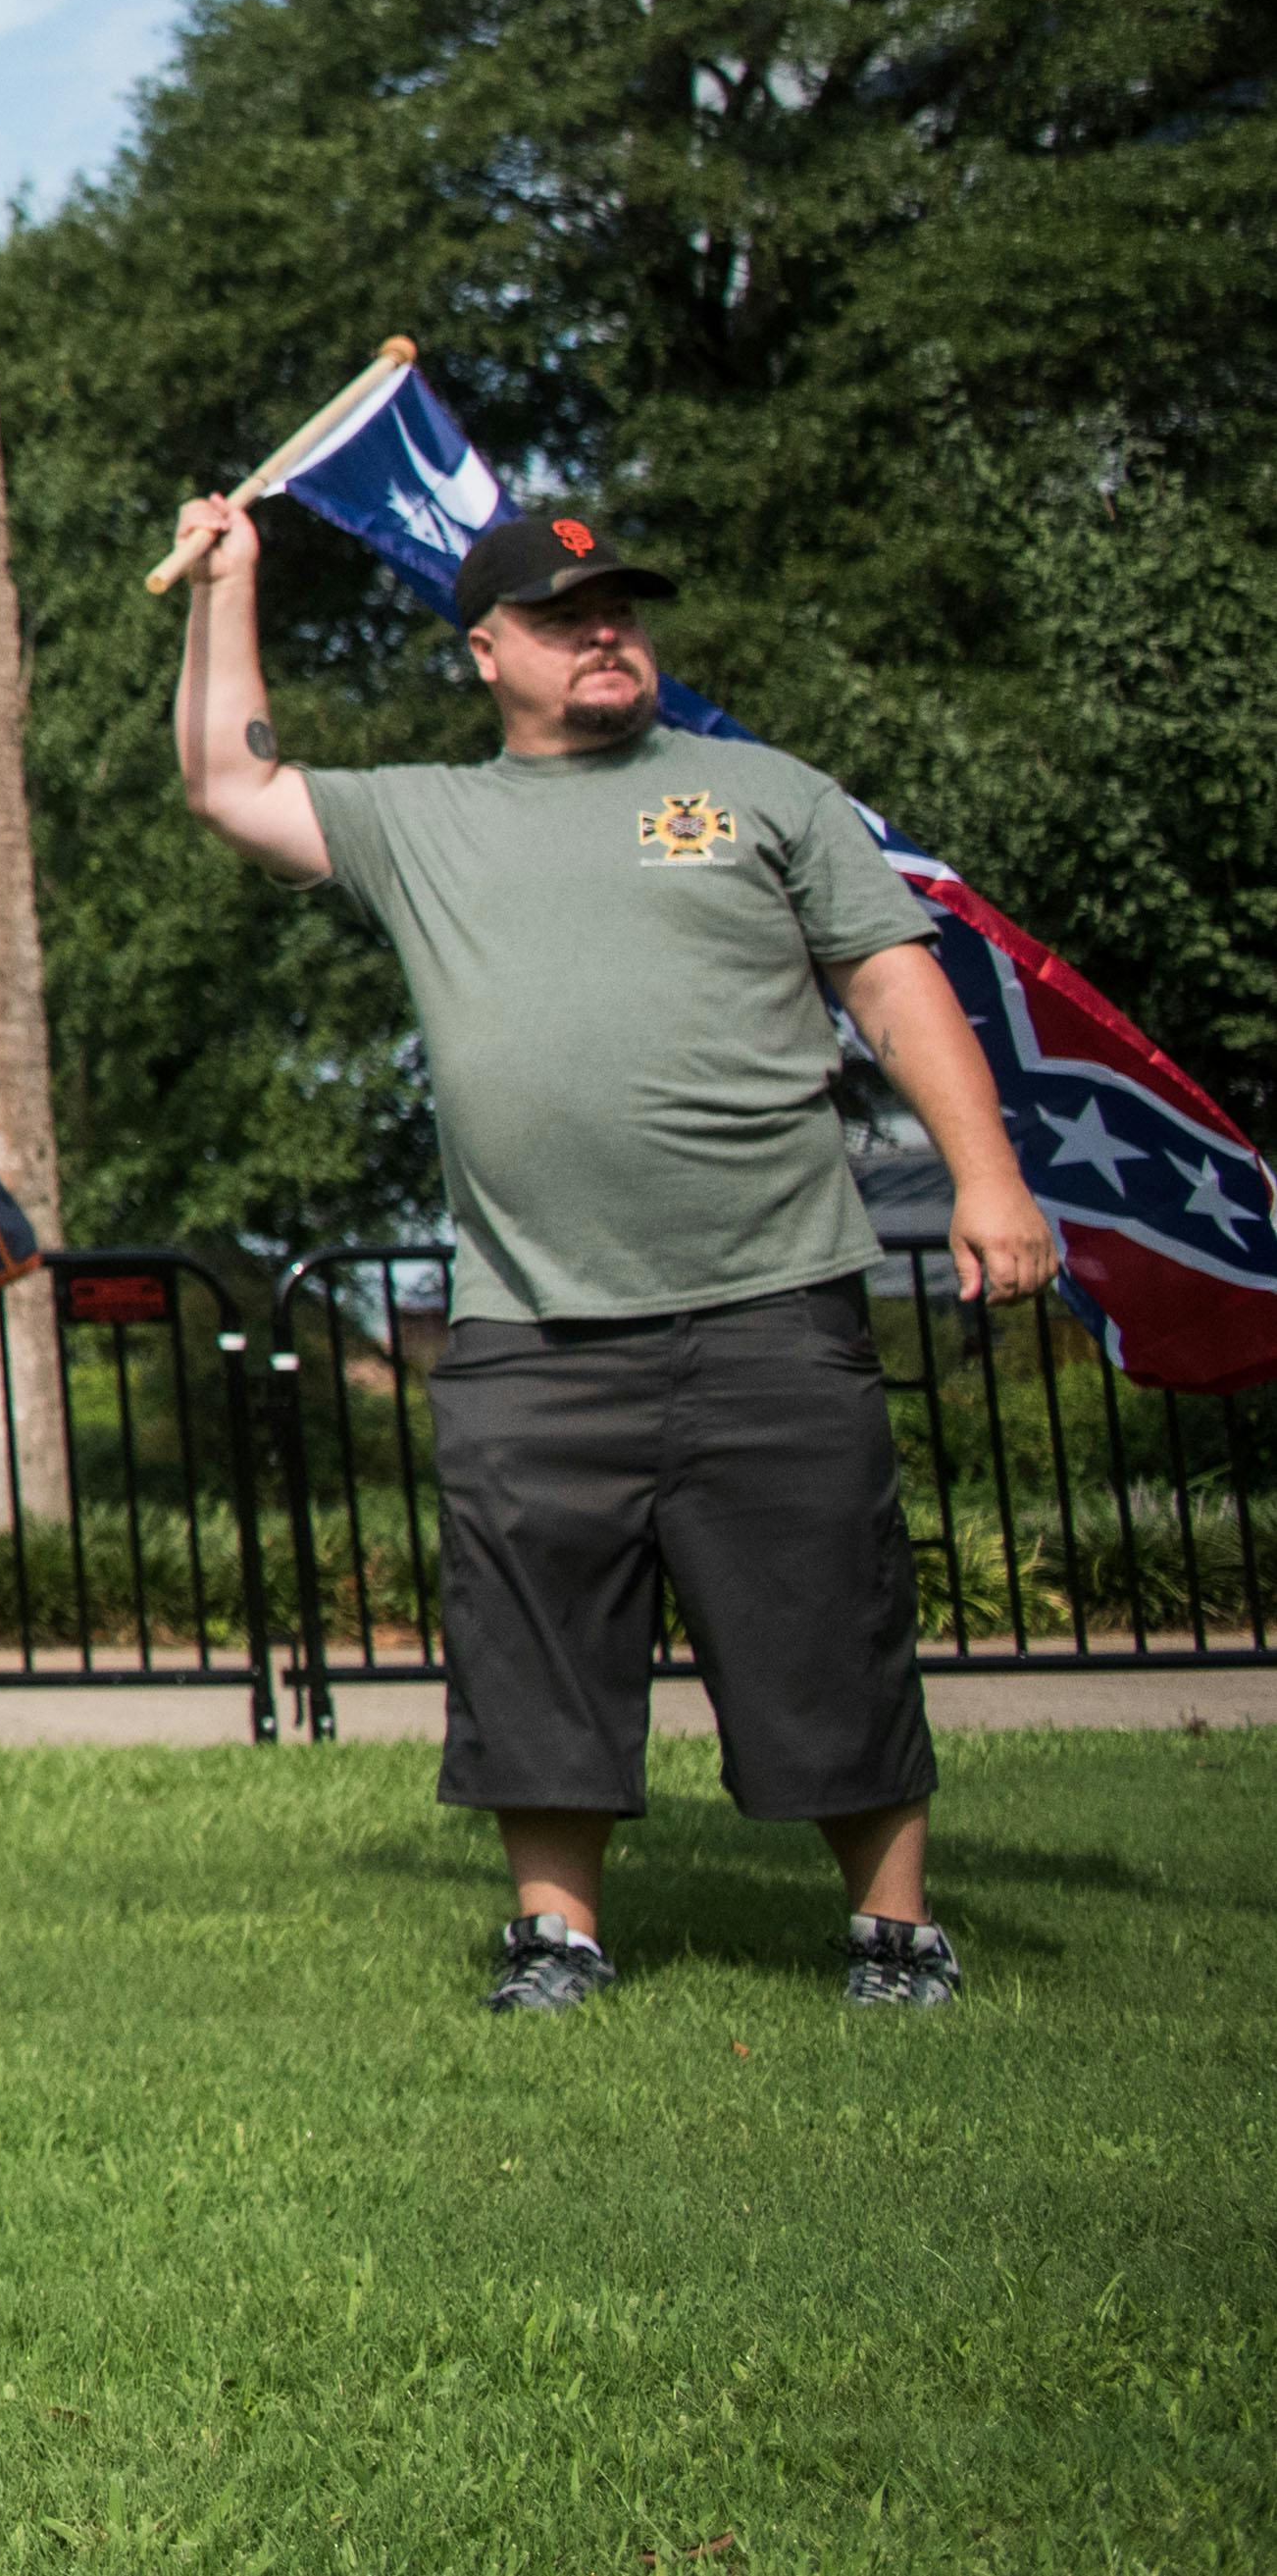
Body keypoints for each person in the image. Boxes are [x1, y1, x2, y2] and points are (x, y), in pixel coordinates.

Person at [169, 491, 1065, 2012]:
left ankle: (894, 1932)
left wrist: (990, 1180)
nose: (605, 632)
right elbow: (226, 782)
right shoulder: (423, 818)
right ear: (483, 653)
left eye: (620, 611)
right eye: (562, 616)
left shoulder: (763, 792)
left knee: (825, 1618)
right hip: (529, 1322)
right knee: (530, 1636)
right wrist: (229, 583)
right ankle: (557, 1937)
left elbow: (898, 987)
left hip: (772, 1293)